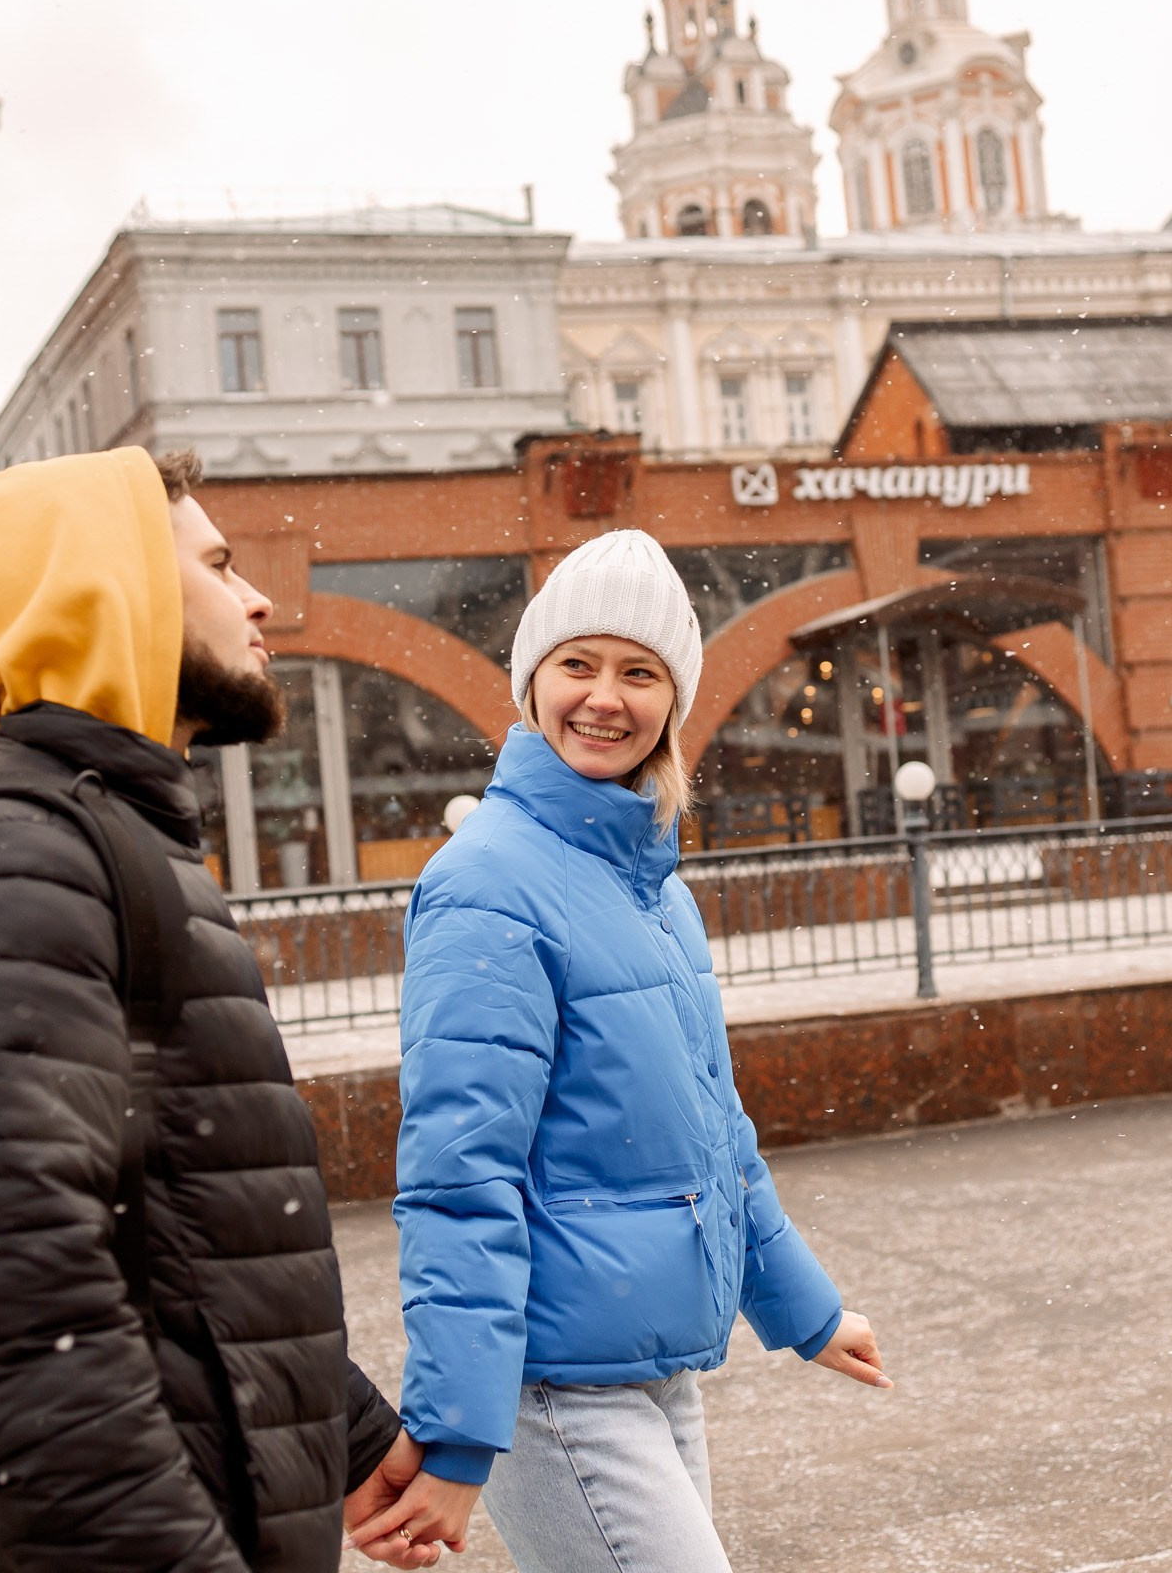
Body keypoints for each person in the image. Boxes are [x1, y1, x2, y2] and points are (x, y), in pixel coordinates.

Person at [0, 446, 434, 1572]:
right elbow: (5, 1317)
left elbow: (183, 1232)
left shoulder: (101, 845)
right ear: (113, 594)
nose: (258, 596)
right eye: (219, 567)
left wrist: (342, 1429)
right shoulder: (20, 871)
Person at [346, 530, 891, 1570]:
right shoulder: (488, 884)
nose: (605, 697)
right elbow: (461, 1175)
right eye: (578, 665)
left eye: (639, 672)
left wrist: (807, 1309)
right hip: (554, 1386)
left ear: (672, 702)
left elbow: (713, 1138)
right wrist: (459, 1433)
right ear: (532, 683)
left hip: (649, 1367)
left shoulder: (655, 892)